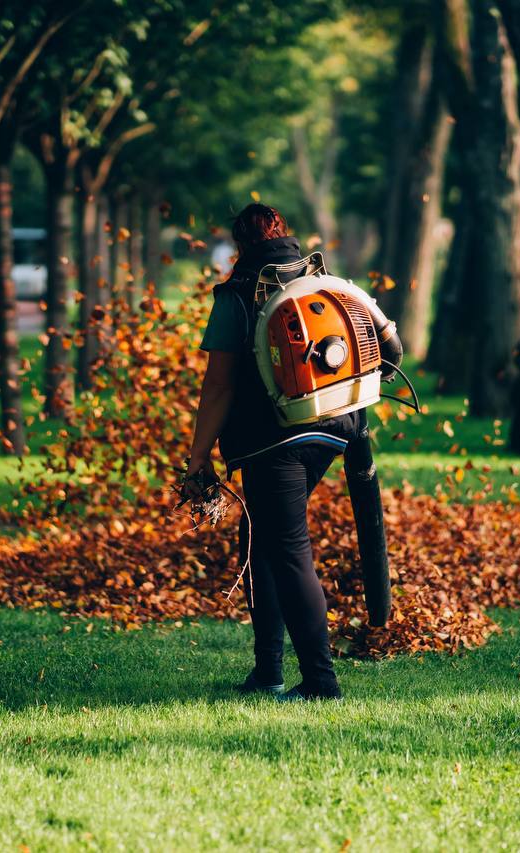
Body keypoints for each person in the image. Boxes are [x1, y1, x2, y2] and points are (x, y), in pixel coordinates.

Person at [186, 203, 366, 701]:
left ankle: (321, 682)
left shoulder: (238, 294)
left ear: (240, 245)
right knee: (260, 534)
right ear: (284, 234)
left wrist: (198, 457)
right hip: (333, 430)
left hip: (275, 441)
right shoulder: (325, 282)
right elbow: (386, 347)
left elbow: (218, 385)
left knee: (287, 549)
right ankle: (266, 671)